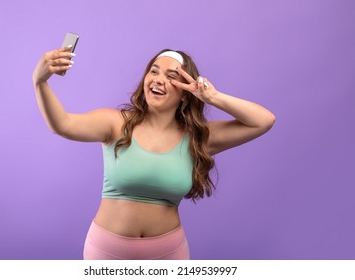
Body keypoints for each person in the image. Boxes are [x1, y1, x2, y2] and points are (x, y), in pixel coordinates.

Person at [32, 47, 275, 260]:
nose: (158, 79)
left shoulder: (198, 137)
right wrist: (40, 81)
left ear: (184, 93)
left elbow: (263, 121)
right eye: (154, 71)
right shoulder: (115, 123)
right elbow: (62, 124)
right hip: (107, 253)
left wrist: (213, 97)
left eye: (171, 77)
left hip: (167, 254)